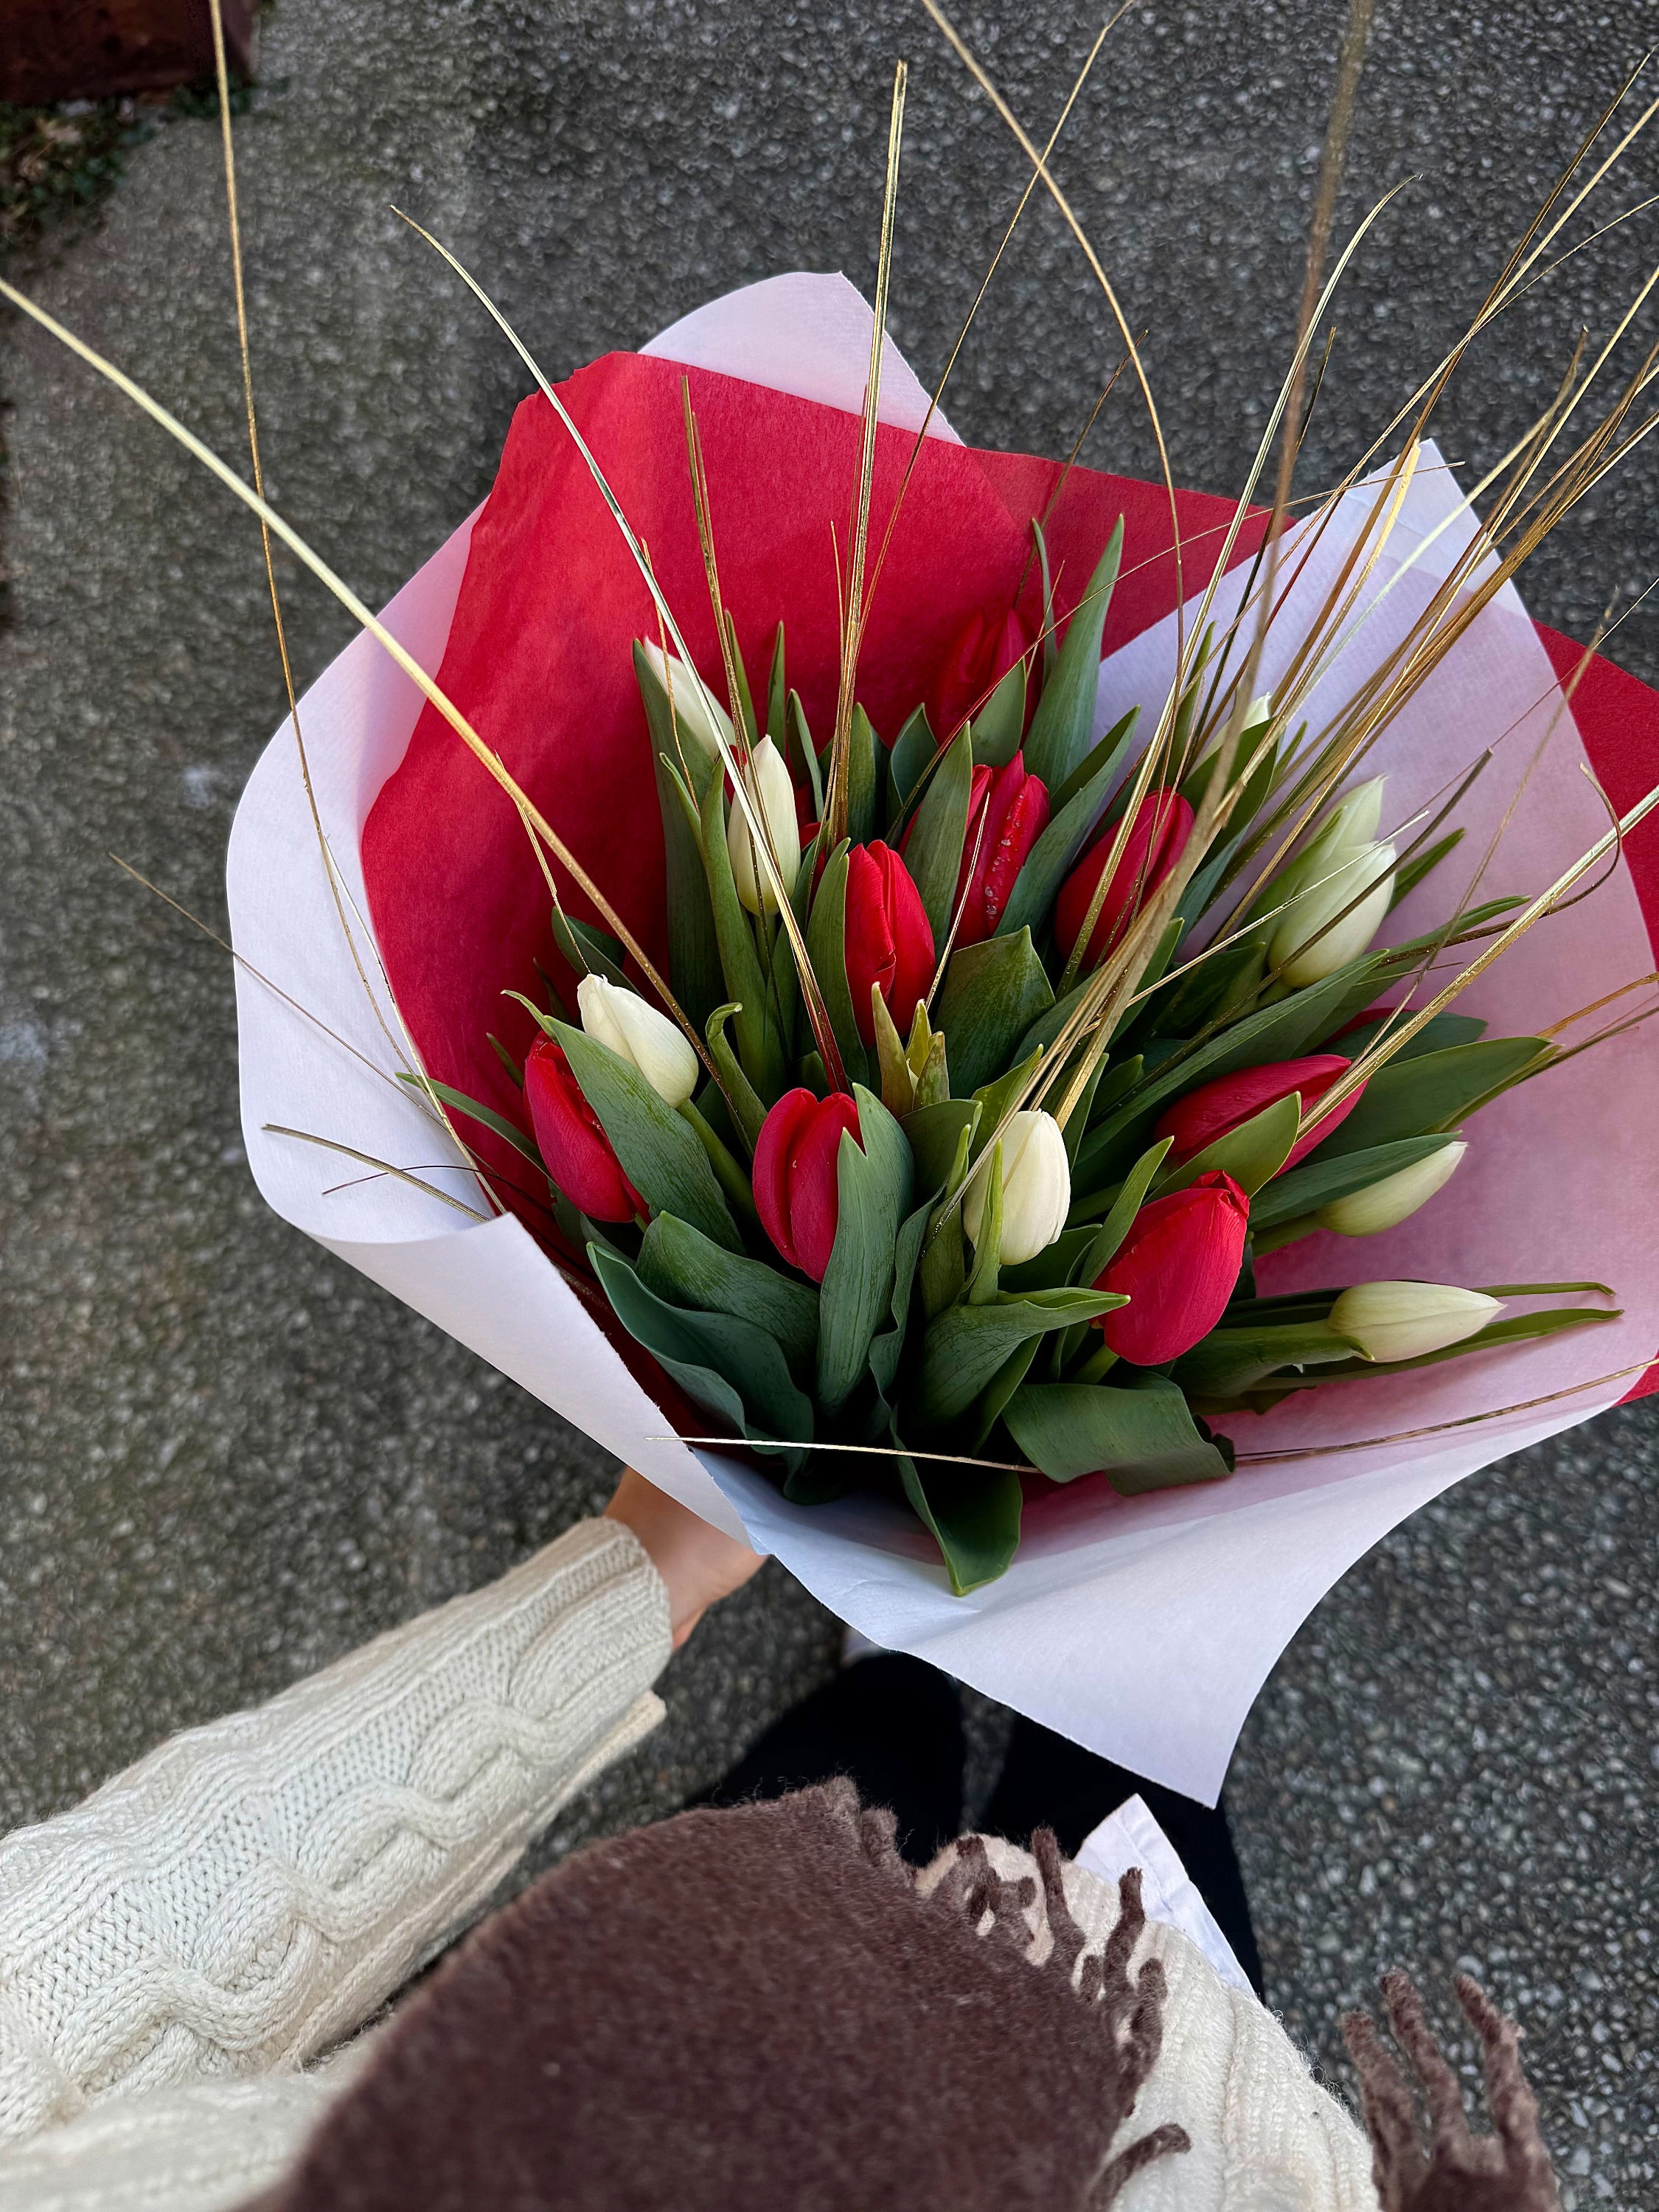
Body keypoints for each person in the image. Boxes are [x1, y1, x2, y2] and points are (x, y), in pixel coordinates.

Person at [0, 1473, 1559, 2211]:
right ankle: (1096, 1609)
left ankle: (907, 1655)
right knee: (1120, 1738)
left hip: (690, 1969)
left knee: (850, 1765)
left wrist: (635, 1586)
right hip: (1155, 2067)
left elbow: (83, 1966)